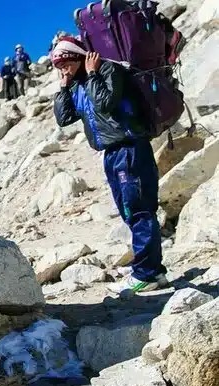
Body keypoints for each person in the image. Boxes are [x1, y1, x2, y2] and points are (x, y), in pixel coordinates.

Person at [51, 36, 168, 294]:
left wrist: (92, 74)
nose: (62, 68)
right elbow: (64, 118)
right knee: (128, 211)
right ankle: (154, 271)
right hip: (111, 153)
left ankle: (146, 274)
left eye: (65, 62)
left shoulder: (107, 69)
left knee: (138, 209)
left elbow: (105, 104)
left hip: (130, 147)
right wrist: (63, 88)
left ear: (78, 56)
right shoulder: (77, 85)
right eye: (58, 65)